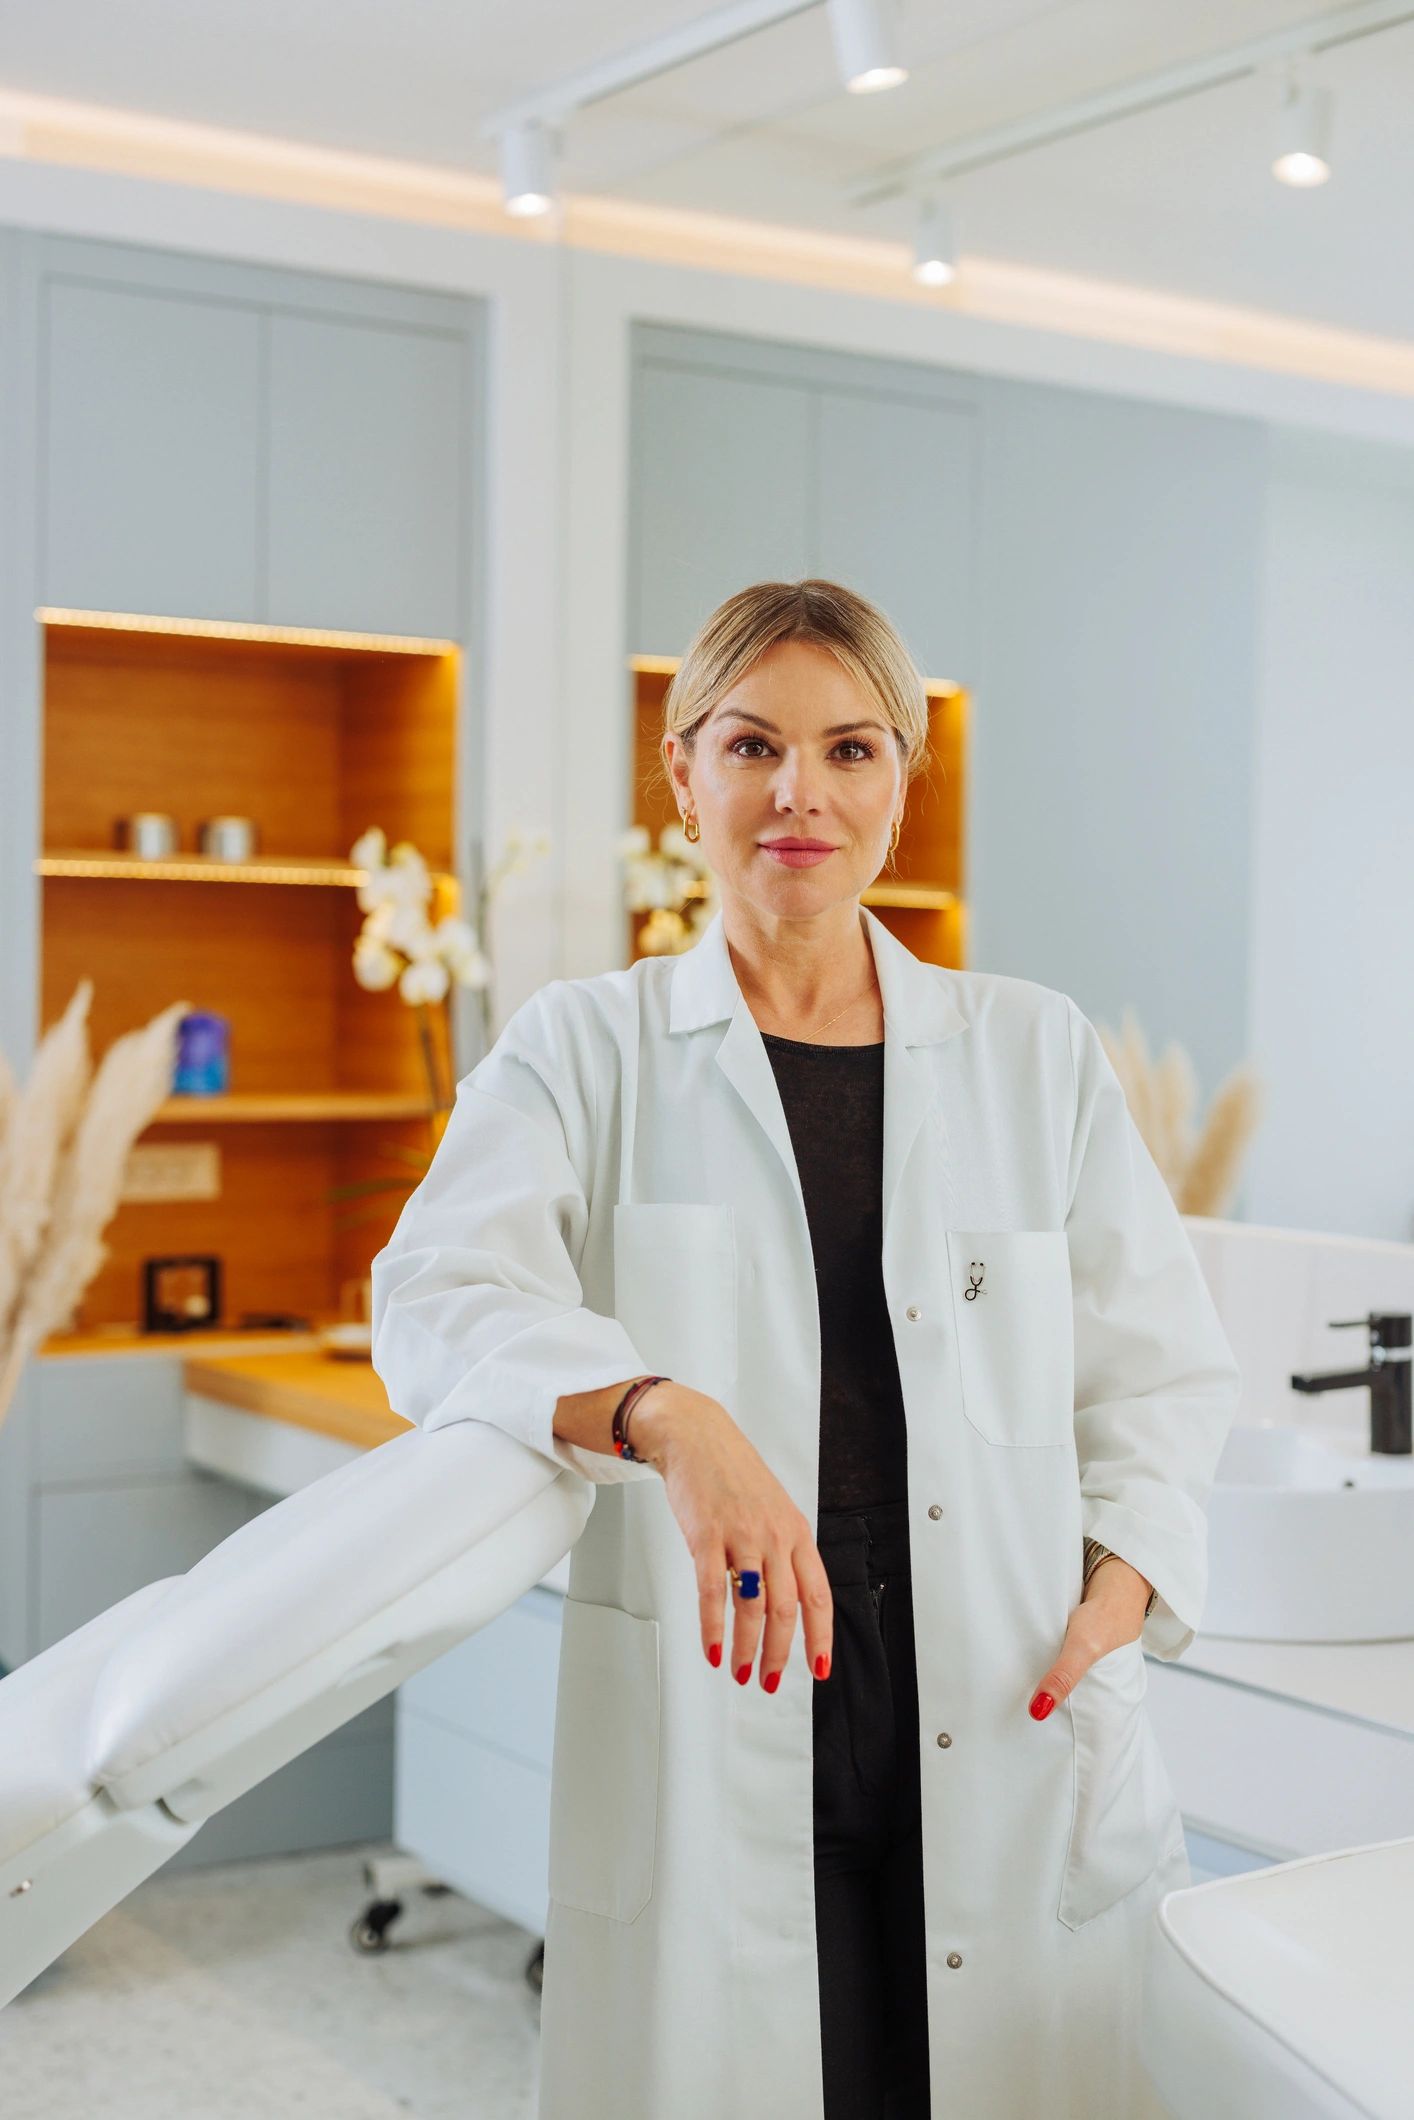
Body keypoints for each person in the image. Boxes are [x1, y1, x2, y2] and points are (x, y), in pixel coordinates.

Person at [369, 578, 1242, 2120]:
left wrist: (1128, 1579)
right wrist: (663, 1413)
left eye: (849, 750)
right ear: (681, 769)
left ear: (900, 783)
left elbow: (1157, 1366)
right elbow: (432, 1298)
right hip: (729, 1689)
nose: (799, 794)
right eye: (752, 745)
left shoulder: (1030, 1050)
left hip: (1003, 1676)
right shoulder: (586, 1047)